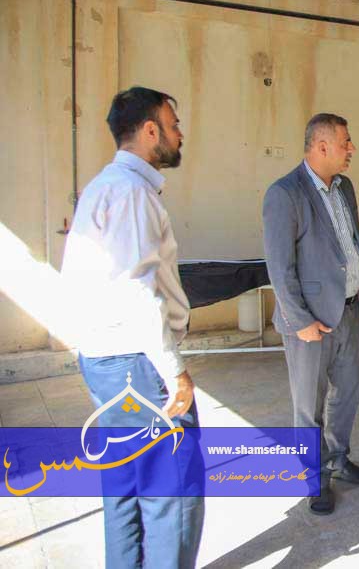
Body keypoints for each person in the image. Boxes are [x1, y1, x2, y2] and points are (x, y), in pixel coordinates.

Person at [63, 86, 204, 568]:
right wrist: (174, 370)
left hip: (106, 359)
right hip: (136, 366)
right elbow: (137, 291)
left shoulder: (105, 186)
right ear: (149, 131)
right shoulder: (131, 194)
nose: (180, 134)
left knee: (125, 484)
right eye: (173, 124)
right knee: (173, 493)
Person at [262, 112, 359, 515]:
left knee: (348, 392)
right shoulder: (284, 193)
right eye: (346, 142)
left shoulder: (345, 187)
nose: (352, 149)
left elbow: (352, 246)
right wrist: (299, 321)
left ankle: (338, 459)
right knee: (308, 406)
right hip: (309, 322)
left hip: (347, 312)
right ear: (322, 146)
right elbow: (280, 267)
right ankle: (315, 477)